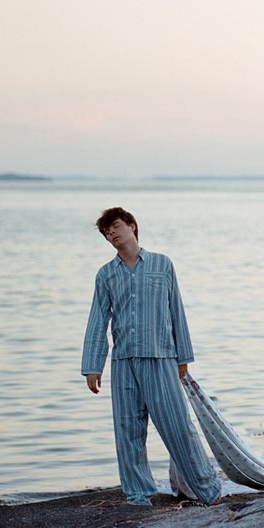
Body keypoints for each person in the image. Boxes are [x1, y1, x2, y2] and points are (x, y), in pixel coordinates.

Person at [81, 207, 223, 507]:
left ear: (132, 226)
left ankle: (207, 488)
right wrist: (92, 366)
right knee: (128, 430)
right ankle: (139, 494)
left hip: (161, 357)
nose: (112, 234)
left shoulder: (162, 264)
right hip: (123, 363)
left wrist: (183, 357)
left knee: (177, 425)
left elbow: (176, 313)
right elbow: (98, 321)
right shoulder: (105, 274)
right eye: (107, 232)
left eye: (116, 227)